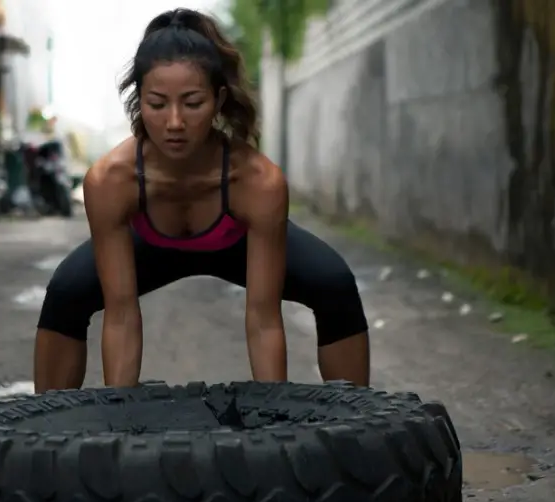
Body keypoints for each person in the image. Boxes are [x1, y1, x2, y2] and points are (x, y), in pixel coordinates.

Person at [34, 8, 370, 391]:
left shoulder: (257, 181)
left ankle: (356, 422)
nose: (174, 122)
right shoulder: (111, 180)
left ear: (217, 99)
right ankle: (44, 426)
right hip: (147, 245)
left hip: (235, 243)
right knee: (65, 292)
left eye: (192, 103)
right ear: (139, 100)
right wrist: (120, 418)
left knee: (334, 282)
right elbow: (122, 314)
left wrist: (276, 417)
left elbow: (263, 318)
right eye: (157, 104)